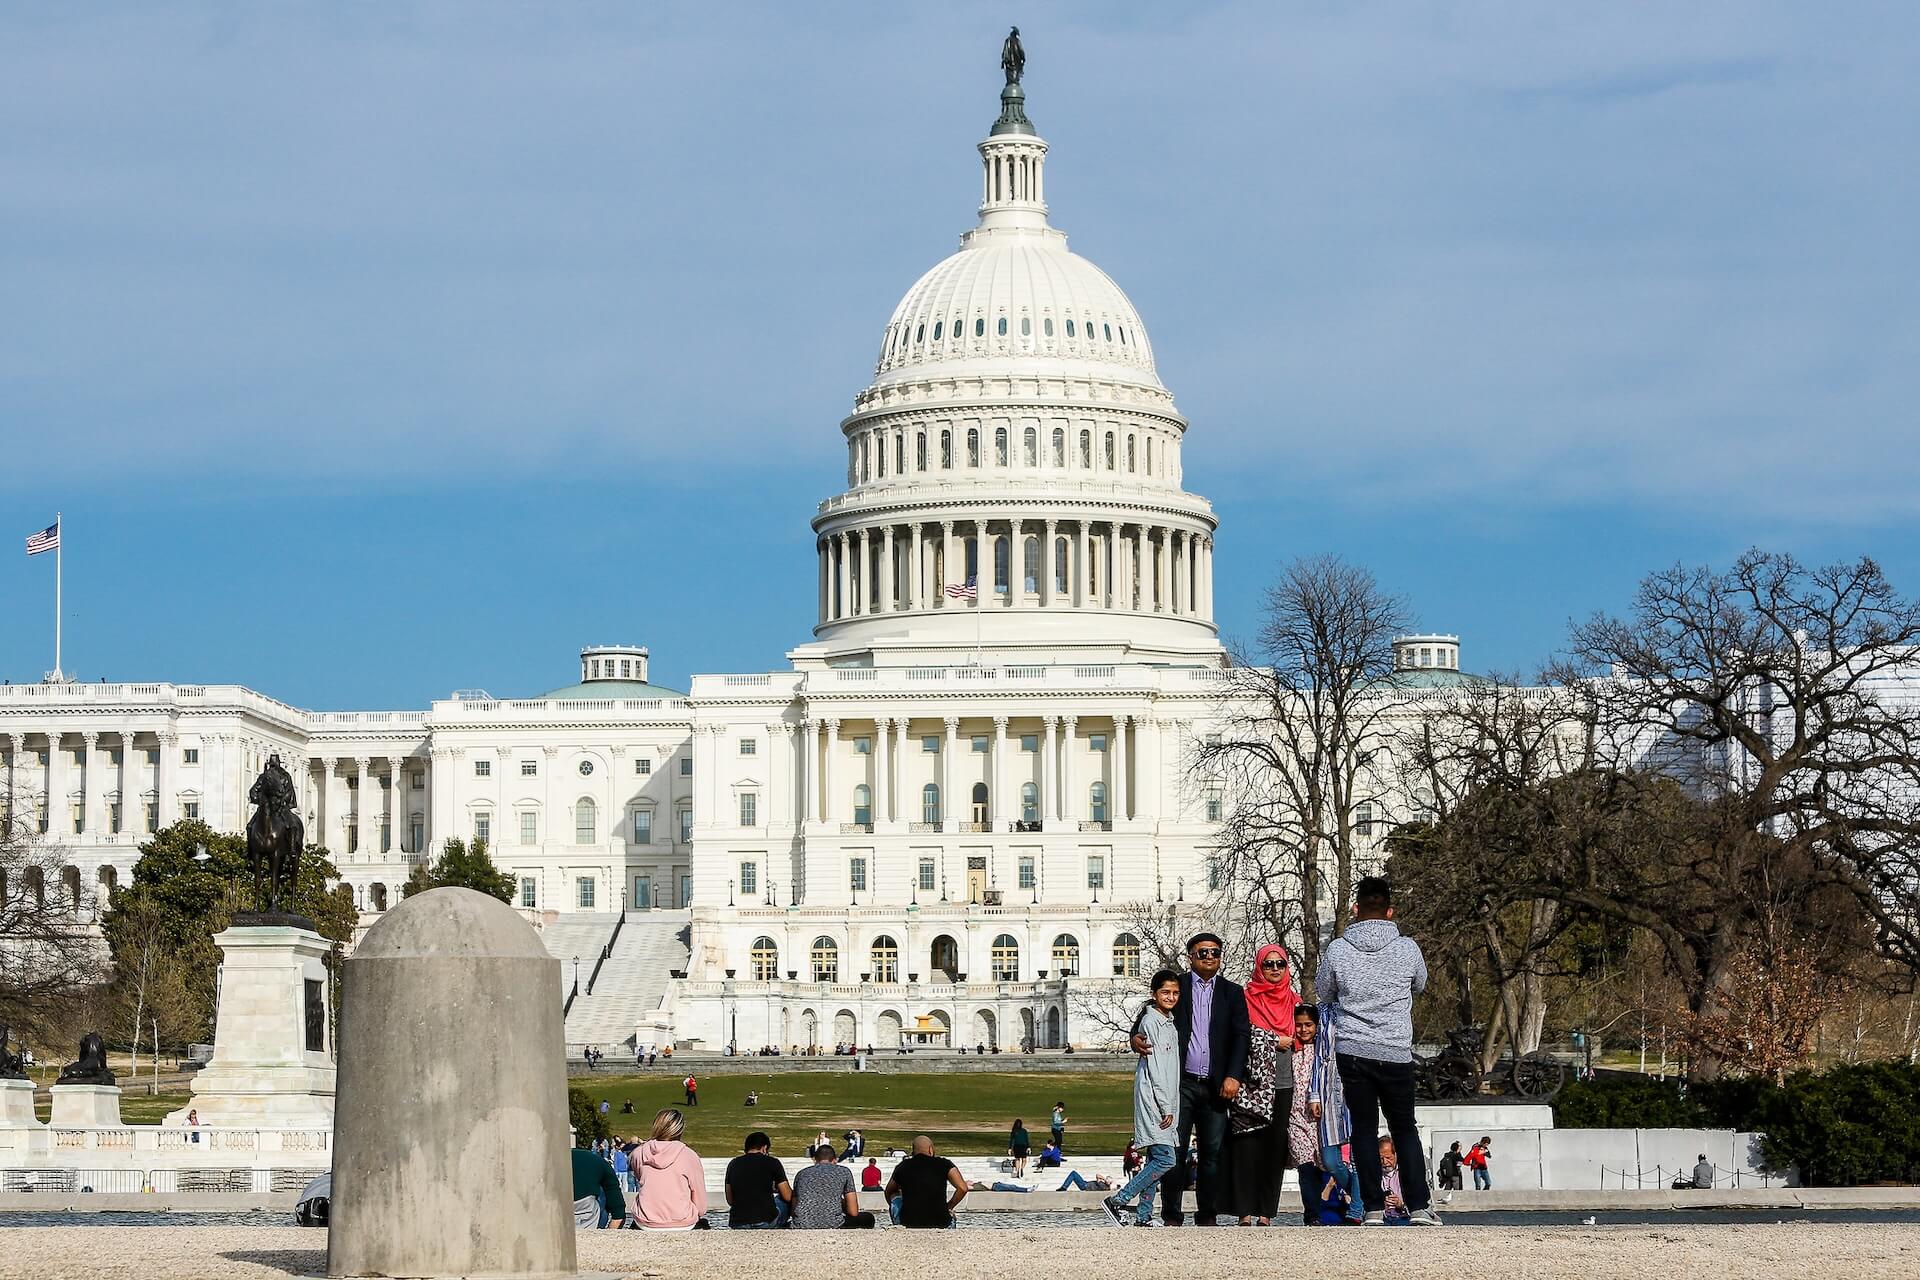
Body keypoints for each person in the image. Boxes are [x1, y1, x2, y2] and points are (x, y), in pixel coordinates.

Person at [1317, 876, 1440, 1226]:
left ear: (1355, 910)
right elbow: (1421, 983)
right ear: (1390, 911)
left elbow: (1324, 992)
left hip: (1353, 1049)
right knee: (1404, 1129)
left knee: (1364, 1130)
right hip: (1395, 1049)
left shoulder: (1339, 948)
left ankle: (1371, 1207)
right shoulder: (1407, 948)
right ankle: (1418, 1205)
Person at [1130, 931, 1250, 1226]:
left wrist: (1234, 1075)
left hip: (1215, 1085)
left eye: (1215, 952)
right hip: (1180, 1084)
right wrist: (1134, 1037)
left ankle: (1207, 1213)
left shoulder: (1232, 993)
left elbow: (1241, 1036)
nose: (1209, 957)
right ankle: (1171, 1213)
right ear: (1191, 957)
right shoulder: (1177, 987)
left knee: (1211, 1154)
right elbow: (1148, 1012)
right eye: (1203, 952)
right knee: (1176, 1151)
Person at [1226, 942, 1298, 1226]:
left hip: (1283, 1083)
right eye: (1268, 964)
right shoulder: (1245, 999)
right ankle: (1244, 1210)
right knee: (1246, 1147)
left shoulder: (1294, 1000)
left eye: (1279, 964)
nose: (1274, 970)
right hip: (1251, 1084)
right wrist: (1273, 1040)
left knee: (1274, 1148)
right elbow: (1240, 1034)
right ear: (1259, 967)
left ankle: (1266, 1212)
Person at [1104, 969, 1181, 1228]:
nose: (1171, 997)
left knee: (1155, 1159)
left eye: (1175, 993)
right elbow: (1157, 1069)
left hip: (1165, 1098)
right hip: (1156, 1100)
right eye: (1165, 992)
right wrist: (1166, 1105)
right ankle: (1118, 1199)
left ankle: (1144, 1215)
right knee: (1165, 1159)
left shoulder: (1167, 1021)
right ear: (1154, 994)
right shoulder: (1151, 1023)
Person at [1301, 1004, 1365, 1226]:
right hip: (1329, 1090)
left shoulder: (1361, 1006)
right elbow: (1318, 1057)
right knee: (1330, 1160)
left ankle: (1356, 1210)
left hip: (1355, 1084)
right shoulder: (1324, 1011)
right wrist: (1314, 1094)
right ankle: (1366, 1196)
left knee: (1359, 1158)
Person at [629, 1109, 708, 1229]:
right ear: (680, 1130)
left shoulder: (638, 1153)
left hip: (645, 1221)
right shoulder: (689, 1155)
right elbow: (700, 1205)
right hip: (682, 1221)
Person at [886, 1135, 968, 1228]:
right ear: (930, 1149)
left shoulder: (903, 1166)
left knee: (894, 1195)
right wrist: (949, 1206)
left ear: (913, 1151)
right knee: (951, 1215)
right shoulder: (944, 1164)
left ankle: (898, 1224)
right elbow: (962, 1188)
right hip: (941, 1222)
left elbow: (889, 1191)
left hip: (909, 1222)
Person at [792, 1142, 876, 1228]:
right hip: (833, 1223)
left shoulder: (801, 1173)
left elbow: (794, 1208)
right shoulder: (844, 1172)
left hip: (802, 1223)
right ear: (835, 1160)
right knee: (869, 1218)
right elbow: (853, 1211)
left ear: (815, 1159)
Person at [723, 1131, 793, 1229]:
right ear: (764, 1148)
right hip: (765, 1220)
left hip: (738, 1222)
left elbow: (730, 1200)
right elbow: (788, 1196)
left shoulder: (733, 1164)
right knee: (781, 1200)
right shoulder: (773, 1162)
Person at [570, 1141, 629, 1229]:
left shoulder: (548, 1160)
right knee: (602, 1193)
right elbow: (618, 1215)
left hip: (552, 1204)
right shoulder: (598, 1161)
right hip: (585, 1208)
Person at [1379, 1138, 1410, 1224]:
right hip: (1383, 1219)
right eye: (1381, 1158)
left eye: (1388, 1157)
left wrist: (1401, 1204)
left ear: (1396, 1155)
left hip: (1404, 1218)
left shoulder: (1407, 1174)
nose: (1385, 1162)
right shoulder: (1375, 1175)